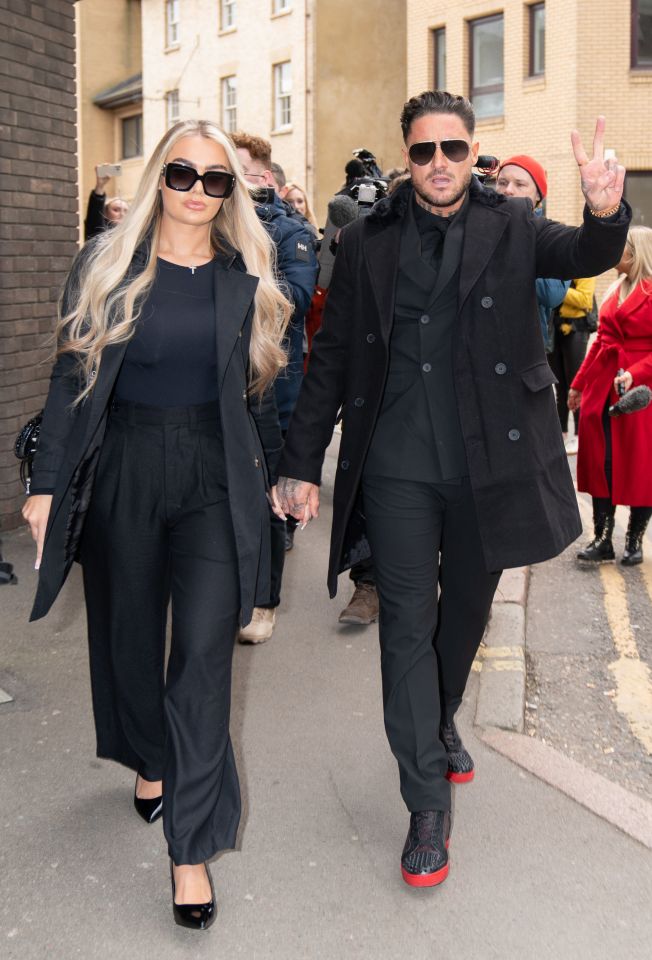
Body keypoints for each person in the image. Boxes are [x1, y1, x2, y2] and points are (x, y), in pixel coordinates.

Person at [276, 90, 629, 888]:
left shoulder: (510, 226)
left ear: (474, 154)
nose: (440, 163)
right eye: (425, 150)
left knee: (463, 613)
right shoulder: (366, 242)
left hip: (487, 464)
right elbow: (331, 356)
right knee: (406, 621)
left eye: (455, 149)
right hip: (397, 463)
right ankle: (425, 800)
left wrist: (608, 211)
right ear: (408, 157)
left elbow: (583, 252)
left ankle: (436, 717)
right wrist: (299, 463)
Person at [22, 119, 291, 930]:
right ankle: (147, 759)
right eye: (183, 174)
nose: (199, 193)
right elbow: (72, 381)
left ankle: (191, 851)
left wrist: (284, 477)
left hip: (213, 477)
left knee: (205, 660)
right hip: (126, 469)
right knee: (128, 639)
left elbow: (260, 395)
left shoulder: (246, 278)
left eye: (217, 181)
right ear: (158, 180)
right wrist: (44, 485)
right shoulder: (106, 267)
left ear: (230, 193)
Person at [231, 133, 318, 642]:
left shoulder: (289, 231)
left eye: (238, 170)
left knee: (268, 490)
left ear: (263, 177)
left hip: (272, 376)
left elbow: (298, 297)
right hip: (217, 379)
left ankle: (264, 601)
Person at [570, 226, 652, 565]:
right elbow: (601, 342)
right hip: (603, 384)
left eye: (621, 249)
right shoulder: (614, 290)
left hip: (640, 391)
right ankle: (603, 538)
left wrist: (637, 372)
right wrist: (577, 384)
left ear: (635, 254)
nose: (614, 254)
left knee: (640, 466)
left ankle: (634, 539)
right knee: (603, 463)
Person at [495, 155, 570, 352]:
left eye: (520, 184)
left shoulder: (551, 237)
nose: (508, 190)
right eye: (502, 182)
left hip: (525, 352)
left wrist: (512, 250)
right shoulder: (479, 229)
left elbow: (552, 294)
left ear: (538, 195)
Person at [549, 277, 597, 453]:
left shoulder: (583, 269)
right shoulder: (555, 268)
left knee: (575, 384)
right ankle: (561, 433)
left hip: (576, 329)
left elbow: (585, 299)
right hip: (554, 327)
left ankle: (578, 435)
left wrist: (557, 290)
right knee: (558, 385)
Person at [84, 164, 129, 240]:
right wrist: (100, 186)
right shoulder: (100, 236)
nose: (122, 214)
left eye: (126, 211)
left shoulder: (133, 237)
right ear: (105, 213)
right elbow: (95, 220)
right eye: (116, 210)